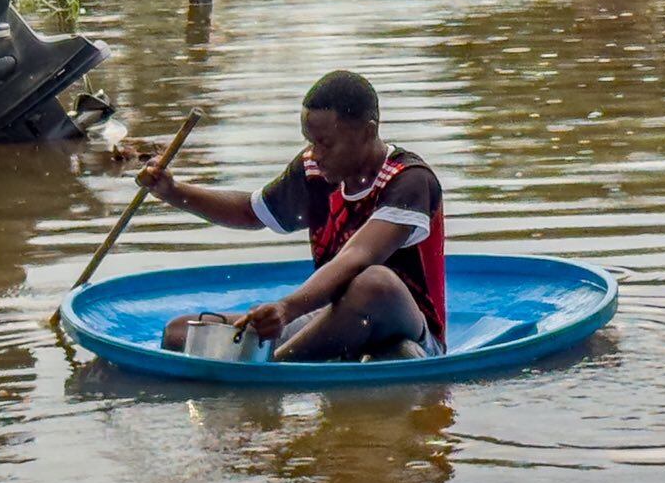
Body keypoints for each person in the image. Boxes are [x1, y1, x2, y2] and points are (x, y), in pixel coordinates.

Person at [136, 71, 446, 362]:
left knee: (374, 283)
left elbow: (359, 255)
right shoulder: (314, 171)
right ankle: (286, 360)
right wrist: (174, 192)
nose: (315, 153)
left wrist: (287, 308)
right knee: (180, 332)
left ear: (368, 132)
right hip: (331, 319)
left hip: (407, 328)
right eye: (310, 141)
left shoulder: (410, 180)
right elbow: (250, 212)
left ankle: (275, 367)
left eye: (325, 143)